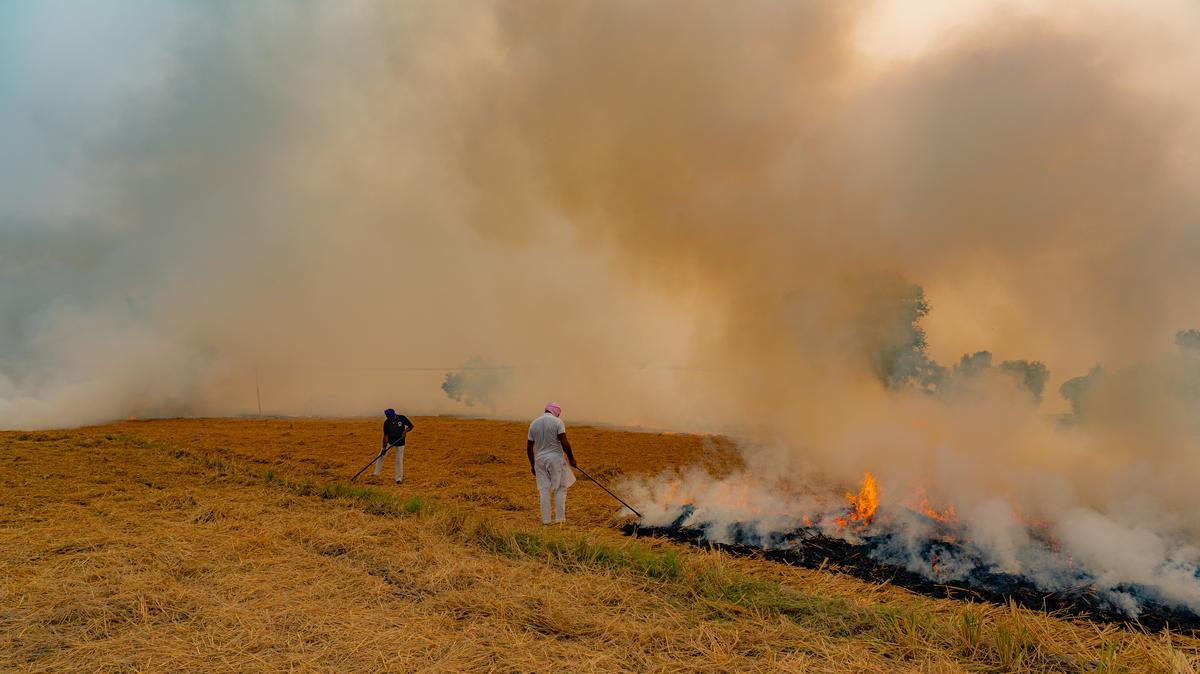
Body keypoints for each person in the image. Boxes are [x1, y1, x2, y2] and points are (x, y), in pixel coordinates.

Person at [526, 402, 577, 525]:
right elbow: (564, 442)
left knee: (544, 490)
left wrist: (532, 465)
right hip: (555, 459)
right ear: (556, 412)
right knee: (560, 488)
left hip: (539, 460)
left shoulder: (533, 423)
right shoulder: (557, 422)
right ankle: (560, 521)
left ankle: (546, 522)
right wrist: (571, 459)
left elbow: (529, 447)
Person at [376, 408, 414, 484]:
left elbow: (411, 426)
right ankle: (376, 474)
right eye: (389, 418)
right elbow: (386, 436)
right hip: (390, 442)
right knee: (381, 456)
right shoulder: (386, 423)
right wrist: (384, 448)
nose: (392, 419)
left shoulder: (402, 418)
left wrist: (405, 431)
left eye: (392, 417)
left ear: (394, 414)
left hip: (400, 443)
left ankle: (398, 479)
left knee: (399, 460)